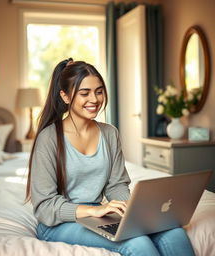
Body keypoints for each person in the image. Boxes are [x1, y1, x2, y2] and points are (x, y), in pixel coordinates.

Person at [25, 58, 195, 256]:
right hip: (59, 222)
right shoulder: (49, 138)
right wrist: (92, 210)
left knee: (174, 233)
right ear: (65, 96)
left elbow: (116, 185)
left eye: (99, 91)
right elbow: (45, 206)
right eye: (84, 93)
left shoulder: (109, 133)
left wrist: (133, 212)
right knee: (137, 244)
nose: (95, 99)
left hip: (99, 214)